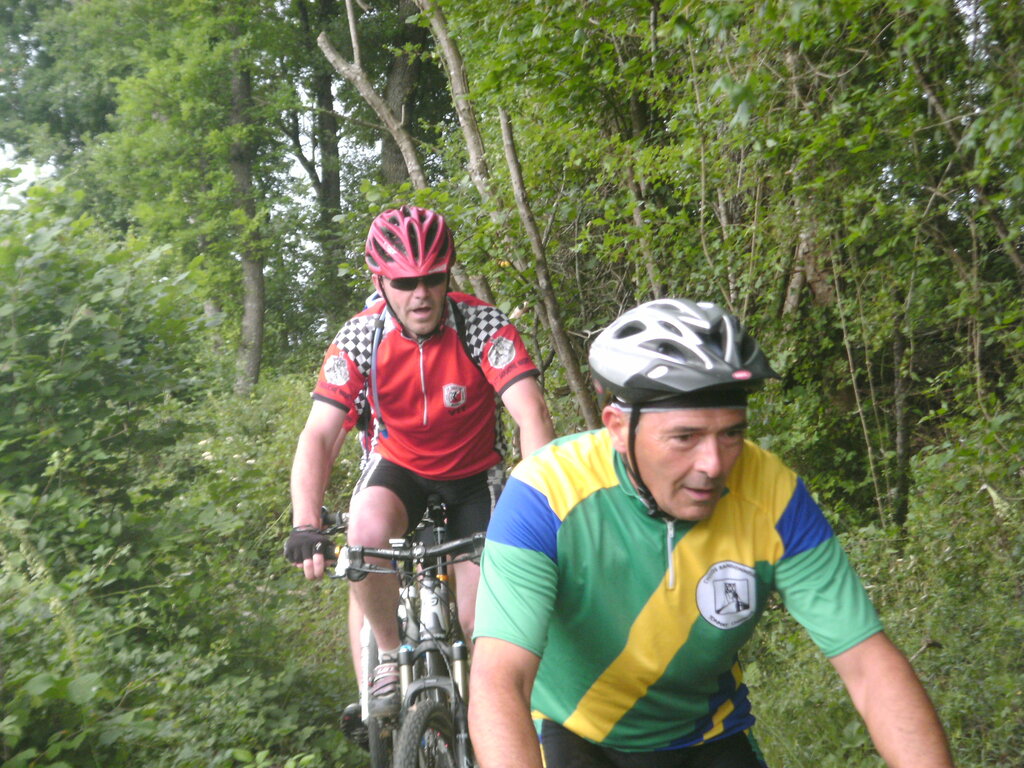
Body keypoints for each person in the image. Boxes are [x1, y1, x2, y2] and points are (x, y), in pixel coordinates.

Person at [468, 299, 955, 768]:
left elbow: (869, 665)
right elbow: (499, 680)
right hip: (572, 732)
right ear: (617, 427)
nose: (714, 465)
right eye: (685, 437)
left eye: (731, 434)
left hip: (705, 735)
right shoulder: (547, 493)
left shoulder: (773, 495)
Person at [284, 206, 555, 723]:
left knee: (479, 623)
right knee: (364, 535)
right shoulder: (360, 336)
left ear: (448, 274)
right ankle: (389, 654)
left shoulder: (481, 325)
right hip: (399, 469)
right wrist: (305, 522)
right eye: (405, 282)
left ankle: (491, 718)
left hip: (474, 476)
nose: (421, 294)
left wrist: (546, 505)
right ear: (380, 282)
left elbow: (532, 414)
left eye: (433, 278)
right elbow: (319, 434)